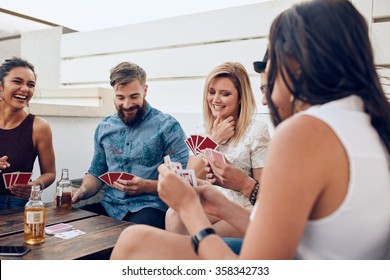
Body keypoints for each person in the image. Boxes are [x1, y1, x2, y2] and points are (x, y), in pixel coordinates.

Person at [111, 0, 390, 259]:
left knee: (132, 243)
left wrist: (189, 208)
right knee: (137, 239)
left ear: (294, 64)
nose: (267, 92)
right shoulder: (369, 124)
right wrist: (222, 206)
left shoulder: (307, 132)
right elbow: (292, 232)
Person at [72, 61, 189, 229]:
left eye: (134, 96)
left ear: (145, 90)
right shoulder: (104, 128)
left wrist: (146, 186)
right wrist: (81, 192)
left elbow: (183, 181)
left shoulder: (168, 127)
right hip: (109, 206)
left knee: (131, 237)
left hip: (151, 207)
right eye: (120, 98)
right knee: (72, 229)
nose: (127, 105)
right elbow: (96, 172)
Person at [166, 62, 270, 237]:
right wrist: (213, 139)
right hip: (210, 202)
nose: (215, 100)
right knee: (173, 214)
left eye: (225, 94)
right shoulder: (203, 129)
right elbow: (190, 176)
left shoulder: (257, 131)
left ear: (240, 97)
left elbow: (263, 192)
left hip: (241, 207)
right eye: (212, 92)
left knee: (205, 237)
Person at [0, 57, 56, 210]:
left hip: (18, 204)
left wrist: (36, 185)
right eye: (17, 82)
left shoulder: (39, 126)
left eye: (30, 85)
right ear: (1, 86)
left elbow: (50, 172)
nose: (25, 89)